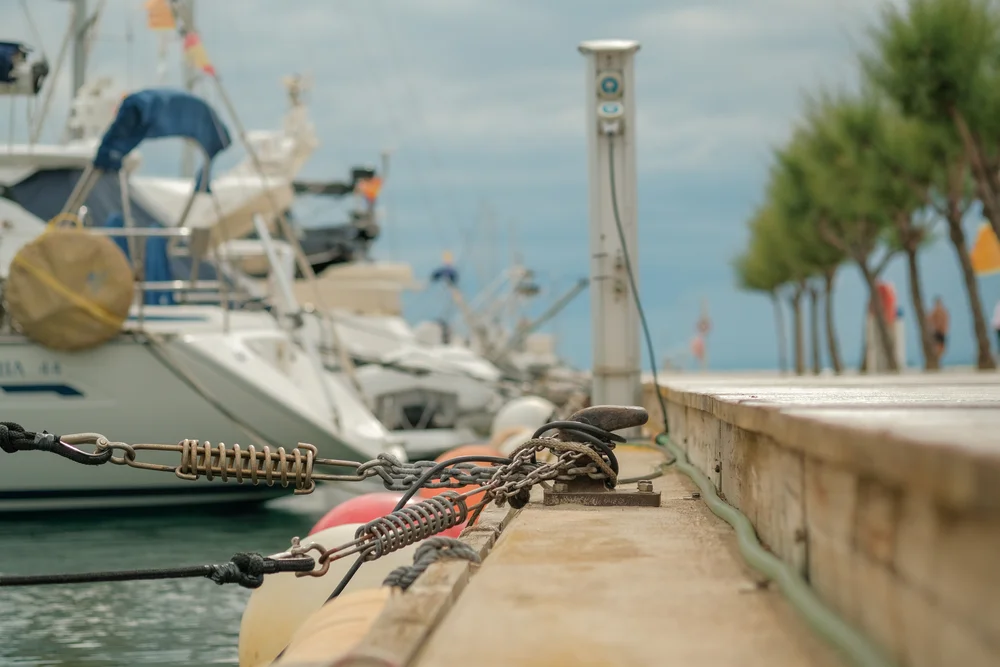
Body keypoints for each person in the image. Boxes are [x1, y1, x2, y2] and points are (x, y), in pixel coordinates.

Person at [927, 296, 950, 364]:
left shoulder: (943, 312)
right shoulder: (934, 312)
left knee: (941, 347)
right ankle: (936, 360)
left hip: (941, 331)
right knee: (937, 347)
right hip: (936, 331)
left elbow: (946, 321)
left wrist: (944, 329)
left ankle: (938, 360)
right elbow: (929, 320)